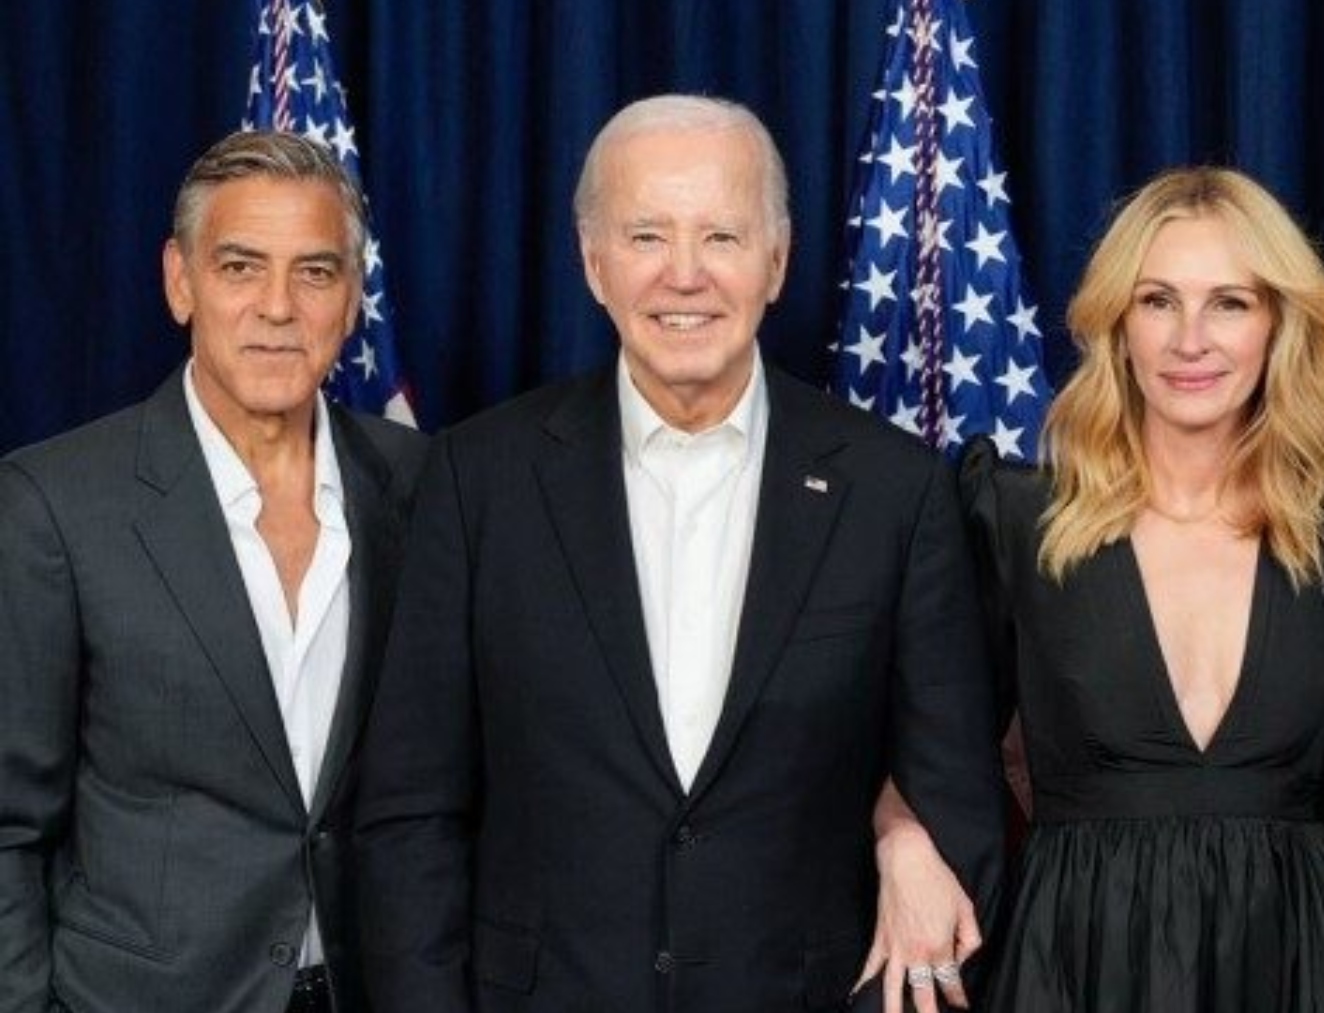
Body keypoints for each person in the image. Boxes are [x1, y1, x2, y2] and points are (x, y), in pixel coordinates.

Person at [351, 94, 1006, 1012]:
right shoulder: (477, 479)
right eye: (648, 236)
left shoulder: (895, 492)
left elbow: (956, 807)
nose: (684, 276)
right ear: (593, 262)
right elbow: (409, 813)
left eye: (723, 238)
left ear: (776, 262)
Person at [0, 131, 426, 1013]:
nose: (277, 306)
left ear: (351, 298)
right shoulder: (54, 503)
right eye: (240, 267)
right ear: (180, 280)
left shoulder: (424, 485)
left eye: (313, 272)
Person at [960, 166, 1324, 1011]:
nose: (1191, 339)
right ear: (1117, 326)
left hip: (1298, 959)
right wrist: (900, 845)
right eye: (1158, 301)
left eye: (1230, 301)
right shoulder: (1014, 516)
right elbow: (925, 736)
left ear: (1278, 324)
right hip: (1074, 956)